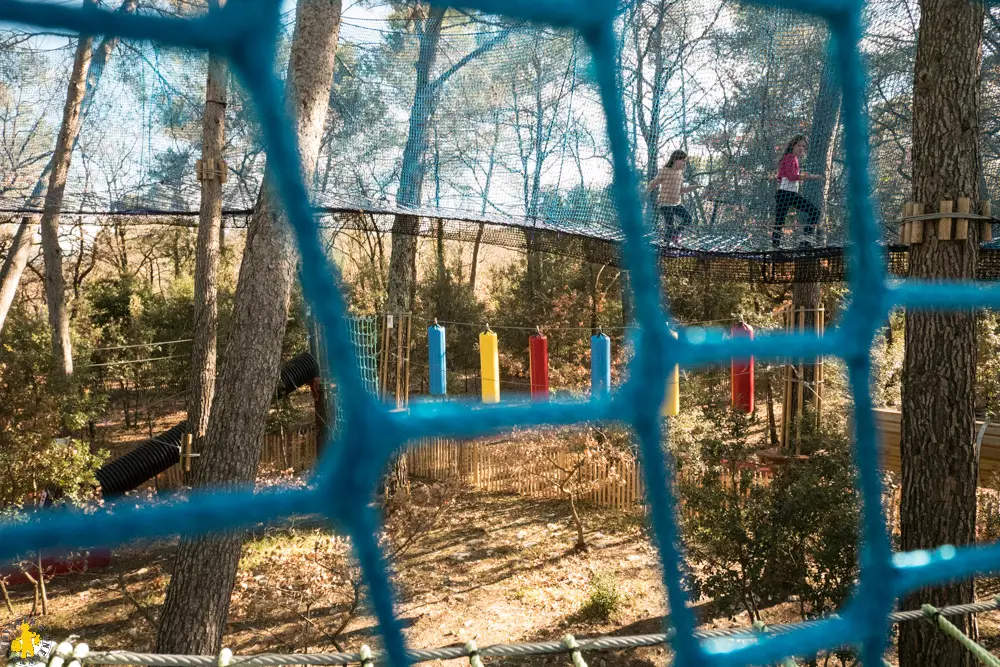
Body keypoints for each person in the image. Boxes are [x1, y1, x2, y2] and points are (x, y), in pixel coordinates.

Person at [773, 134, 824, 249]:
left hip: (786, 193)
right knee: (814, 211)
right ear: (793, 145)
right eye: (798, 145)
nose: (801, 148)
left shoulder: (790, 158)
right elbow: (791, 176)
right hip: (786, 193)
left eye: (803, 146)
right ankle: (805, 239)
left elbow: (782, 176)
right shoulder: (790, 157)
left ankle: (776, 245)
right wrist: (811, 176)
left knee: (780, 221)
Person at [647, 149, 700, 245]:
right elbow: (653, 183)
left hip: (676, 203)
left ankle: (675, 234)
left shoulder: (680, 173)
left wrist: (693, 187)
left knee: (688, 219)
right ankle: (667, 243)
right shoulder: (665, 170)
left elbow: (681, 190)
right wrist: (645, 194)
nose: (684, 163)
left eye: (685, 161)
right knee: (669, 225)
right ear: (676, 159)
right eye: (683, 160)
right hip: (665, 203)